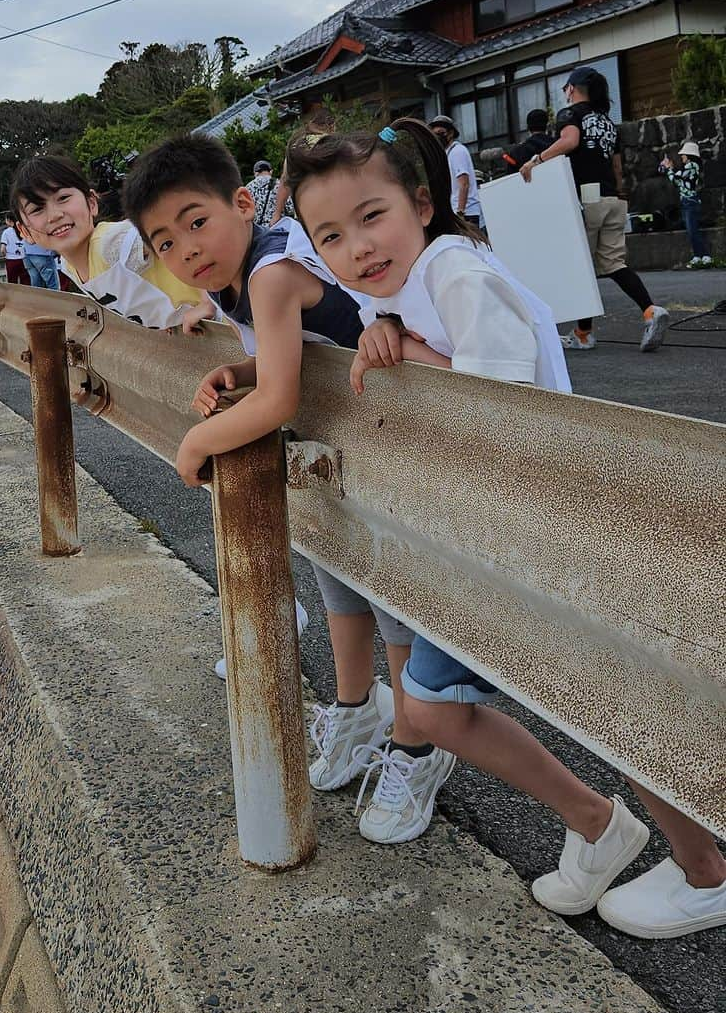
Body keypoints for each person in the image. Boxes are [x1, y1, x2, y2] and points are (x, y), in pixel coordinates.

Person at [285, 117, 726, 932]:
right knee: (510, 698)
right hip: (500, 519)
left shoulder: (452, 268)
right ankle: (610, 830)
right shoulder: (396, 284)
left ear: (422, 204)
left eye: (372, 215)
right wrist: (386, 325)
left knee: (602, 690)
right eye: (331, 235)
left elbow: (499, 407)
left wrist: (405, 350)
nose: (359, 246)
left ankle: (691, 865)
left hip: (548, 514)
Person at [122, 134, 455, 845]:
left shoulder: (269, 272)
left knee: (386, 590)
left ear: (243, 203)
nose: (187, 248)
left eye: (197, 221)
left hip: (394, 432)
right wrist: (236, 375)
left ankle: (416, 746)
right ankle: (354, 705)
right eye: (164, 241)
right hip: (353, 429)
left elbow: (278, 399)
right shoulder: (233, 276)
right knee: (336, 576)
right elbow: (287, 352)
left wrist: (199, 440)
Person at [520, 65, 669, 352]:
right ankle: (650, 311)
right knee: (614, 263)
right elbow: (616, 167)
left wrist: (536, 160)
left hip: (588, 199)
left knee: (579, 267)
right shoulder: (606, 121)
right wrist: (618, 193)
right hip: (613, 200)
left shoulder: (571, 114)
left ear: (572, 89)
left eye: (565, 87)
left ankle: (584, 334)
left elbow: (570, 141)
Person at [11, 154, 211, 330]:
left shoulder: (110, 243)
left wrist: (207, 301)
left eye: (63, 198)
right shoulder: (68, 265)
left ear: (91, 202)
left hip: (222, 321)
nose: (54, 215)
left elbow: (182, 232)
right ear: (24, 231)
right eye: (37, 209)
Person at [271, 100, 336, 224]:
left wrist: (277, 214)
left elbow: (285, 181)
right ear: (331, 125)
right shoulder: (333, 143)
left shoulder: (296, 146)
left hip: (304, 208)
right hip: (332, 203)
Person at [661, 140, 711, 267]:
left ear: (689, 155)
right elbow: (677, 182)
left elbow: (678, 177)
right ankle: (698, 255)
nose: (681, 157)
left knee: (693, 230)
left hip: (690, 202)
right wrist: (668, 169)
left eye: (683, 155)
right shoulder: (688, 167)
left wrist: (669, 169)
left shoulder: (693, 165)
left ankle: (705, 255)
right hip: (686, 202)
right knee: (691, 230)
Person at [427, 116, 482, 226]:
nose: (437, 137)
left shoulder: (457, 151)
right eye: (434, 134)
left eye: (440, 133)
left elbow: (464, 184)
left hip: (466, 213)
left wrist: (460, 212)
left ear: (450, 133)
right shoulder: (447, 153)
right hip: (457, 211)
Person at [503, 107, 552, 173]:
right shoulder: (558, 145)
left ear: (527, 127)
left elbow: (510, 178)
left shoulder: (516, 153)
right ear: (548, 126)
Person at [247, 159, 279, 227]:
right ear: (271, 171)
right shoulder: (280, 185)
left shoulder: (249, 187)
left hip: (257, 231)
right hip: (276, 229)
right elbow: (290, 208)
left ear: (255, 173)